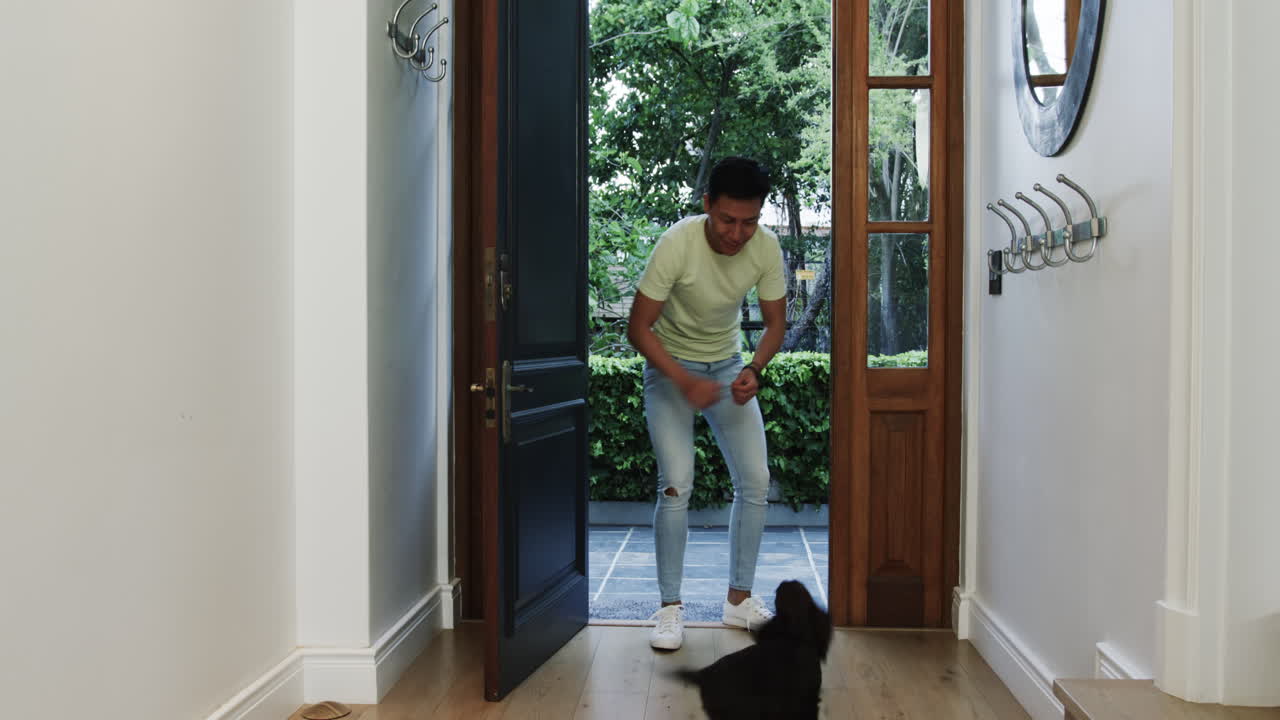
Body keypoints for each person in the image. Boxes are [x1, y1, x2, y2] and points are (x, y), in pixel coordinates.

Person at [627, 156, 787, 651]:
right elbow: (637, 328)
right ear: (706, 206)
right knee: (676, 483)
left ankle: (738, 602)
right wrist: (682, 380)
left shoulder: (765, 247)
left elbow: (776, 324)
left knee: (756, 481)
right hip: (668, 367)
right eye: (727, 220)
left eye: (749, 221)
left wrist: (752, 370)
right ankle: (671, 608)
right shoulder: (677, 243)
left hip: (725, 366)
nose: (738, 234)